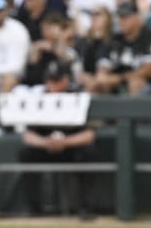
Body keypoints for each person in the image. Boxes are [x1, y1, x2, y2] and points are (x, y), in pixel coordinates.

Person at [16, 60, 96, 215]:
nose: (52, 86)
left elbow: (89, 135)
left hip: (72, 148)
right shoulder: (39, 99)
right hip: (45, 148)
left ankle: (85, 207)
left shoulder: (78, 97)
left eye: (56, 81)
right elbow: (27, 135)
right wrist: (46, 143)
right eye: (49, 80)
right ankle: (34, 209)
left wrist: (64, 142)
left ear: (66, 80)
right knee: (26, 154)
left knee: (88, 153)